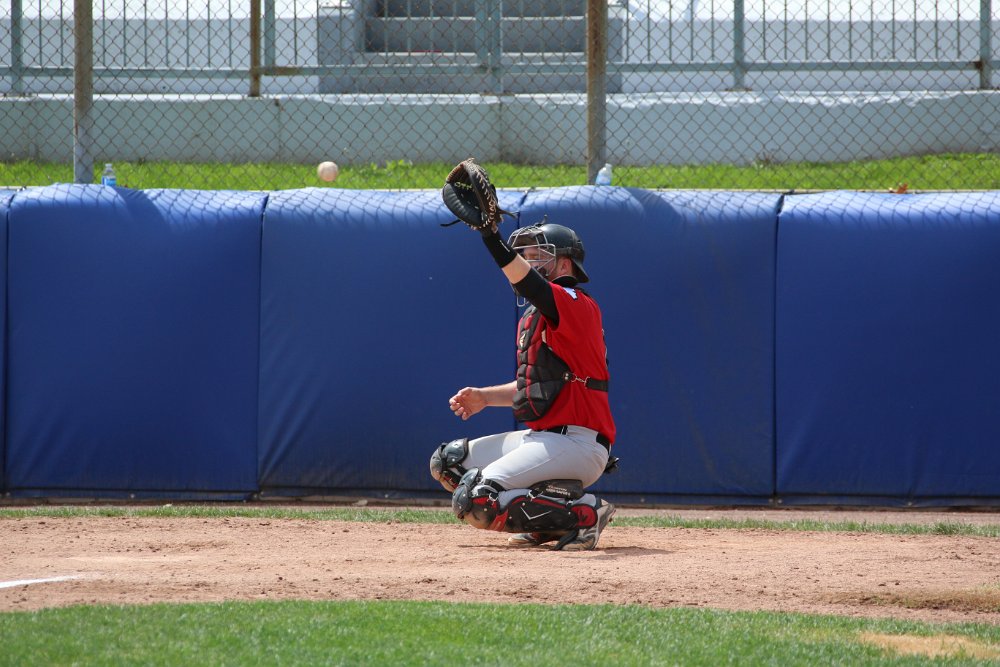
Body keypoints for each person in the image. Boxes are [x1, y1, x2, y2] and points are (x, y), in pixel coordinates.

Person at [429, 219, 617, 551]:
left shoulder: (574, 300)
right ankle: (550, 524)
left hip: (577, 444)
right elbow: (540, 385)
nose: (529, 263)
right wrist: (485, 397)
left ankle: (585, 513)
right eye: (525, 256)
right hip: (544, 439)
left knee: (479, 499)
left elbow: (530, 283)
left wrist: (491, 237)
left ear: (564, 264)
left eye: (537, 256)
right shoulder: (541, 313)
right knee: (448, 463)